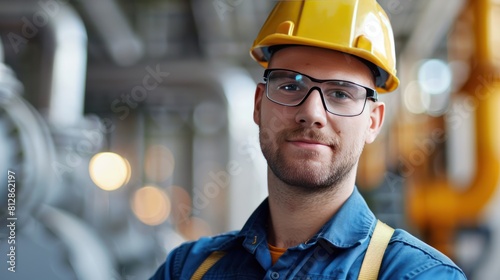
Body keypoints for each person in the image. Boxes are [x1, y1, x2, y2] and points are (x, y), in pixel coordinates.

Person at [150, 0, 467, 279]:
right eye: (290, 86)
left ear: (373, 122)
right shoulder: (187, 269)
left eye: (341, 93)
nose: (312, 112)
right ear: (259, 104)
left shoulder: (419, 275)